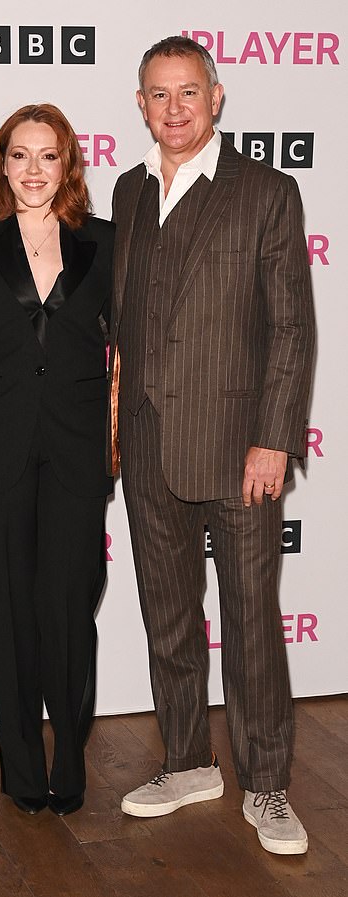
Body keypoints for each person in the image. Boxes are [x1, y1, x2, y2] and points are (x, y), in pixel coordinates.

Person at [108, 36, 315, 855]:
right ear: (140, 104)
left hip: (238, 449)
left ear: (218, 96)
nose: (174, 109)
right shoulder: (126, 191)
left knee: (252, 621)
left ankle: (266, 784)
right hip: (148, 443)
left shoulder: (266, 191)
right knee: (168, 616)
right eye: (158, 95)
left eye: (188, 92)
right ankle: (188, 759)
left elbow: (291, 326)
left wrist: (273, 440)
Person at [0, 104, 114, 816]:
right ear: (0, 164)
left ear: (68, 164)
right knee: (10, 610)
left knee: (67, 607)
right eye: (18, 155)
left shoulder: (103, 242)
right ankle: (22, 765)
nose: (32, 169)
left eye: (47, 156)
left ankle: (69, 759)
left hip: (80, 453)